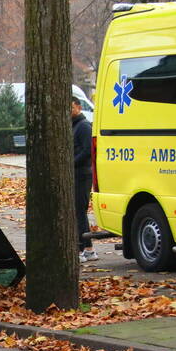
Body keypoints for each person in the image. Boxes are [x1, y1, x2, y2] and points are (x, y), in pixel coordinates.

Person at [72, 96, 97, 263]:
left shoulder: (83, 126)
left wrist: (70, 163)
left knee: (79, 211)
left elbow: (87, 151)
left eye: (71, 107)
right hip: (76, 173)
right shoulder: (74, 126)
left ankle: (84, 249)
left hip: (82, 174)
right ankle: (86, 248)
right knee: (77, 212)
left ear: (79, 107)